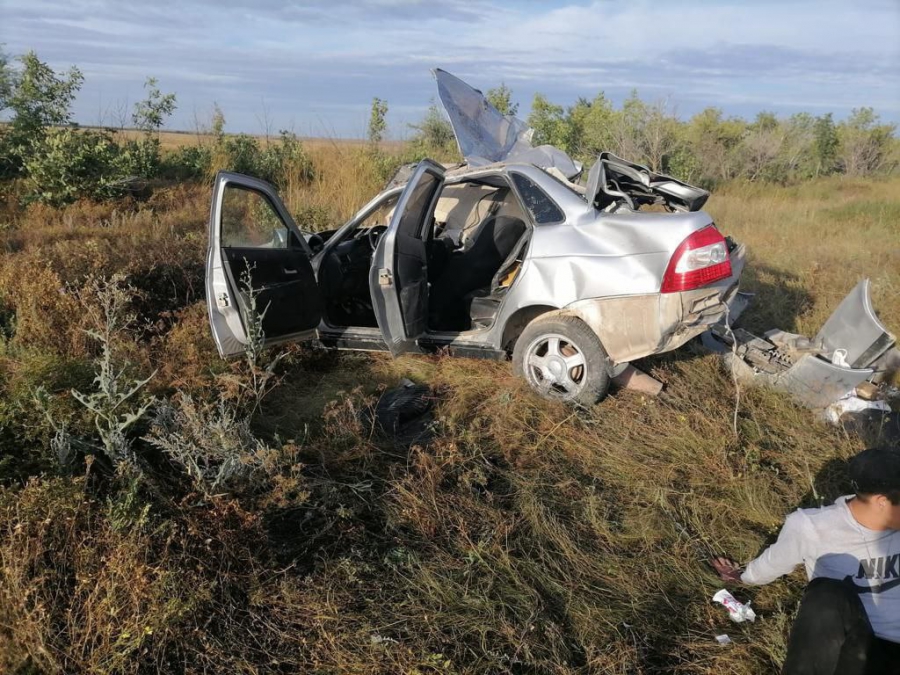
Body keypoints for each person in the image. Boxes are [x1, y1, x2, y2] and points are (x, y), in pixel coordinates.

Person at [712, 446, 900, 675]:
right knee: (826, 595)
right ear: (882, 501)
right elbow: (771, 564)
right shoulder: (812, 528)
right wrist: (742, 577)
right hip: (861, 650)